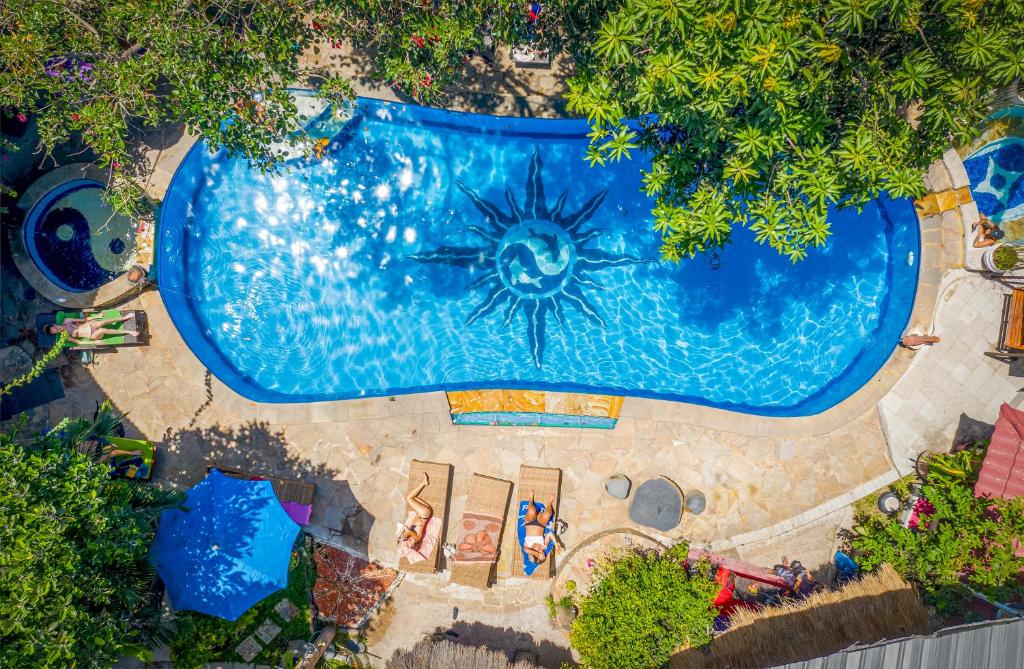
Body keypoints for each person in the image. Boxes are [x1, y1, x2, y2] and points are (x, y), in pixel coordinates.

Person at [46, 312, 137, 346]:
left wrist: (98, 316)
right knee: (102, 330)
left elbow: (83, 320)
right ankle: (128, 332)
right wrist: (94, 342)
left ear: (54, 324)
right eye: (56, 331)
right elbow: (78, 342)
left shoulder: (67, 320)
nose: (58, 329)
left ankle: (124, 318)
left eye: (56, 328)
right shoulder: (64, 336)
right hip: (92, 335)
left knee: (102, 322)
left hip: (90, 325)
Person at [398, 472, 433, 552]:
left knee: (411, 495)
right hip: (423, 513)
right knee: (409, 498)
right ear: (416, 542)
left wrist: (401, 538)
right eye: (410, 542)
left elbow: (408, 532)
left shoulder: (413, 535)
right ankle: (424, 483)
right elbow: (408, 530)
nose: (409, 540)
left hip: (425, 512)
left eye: (408, 541)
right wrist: (405, 533)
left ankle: (423, 483)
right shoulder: (417, 537)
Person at [522, 492, 556, 564]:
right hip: (541, 524)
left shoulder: (529, 547)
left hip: (529, 523)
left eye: (543, 556)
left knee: (532, 511)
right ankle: (549, 503)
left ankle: (531, 499)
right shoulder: (544, 547)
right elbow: (549, 534)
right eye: (545, 555)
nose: (544, 554)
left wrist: (537, 554)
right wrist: (556, 543)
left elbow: (525, 550)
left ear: (536, 556)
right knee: (547, 515)